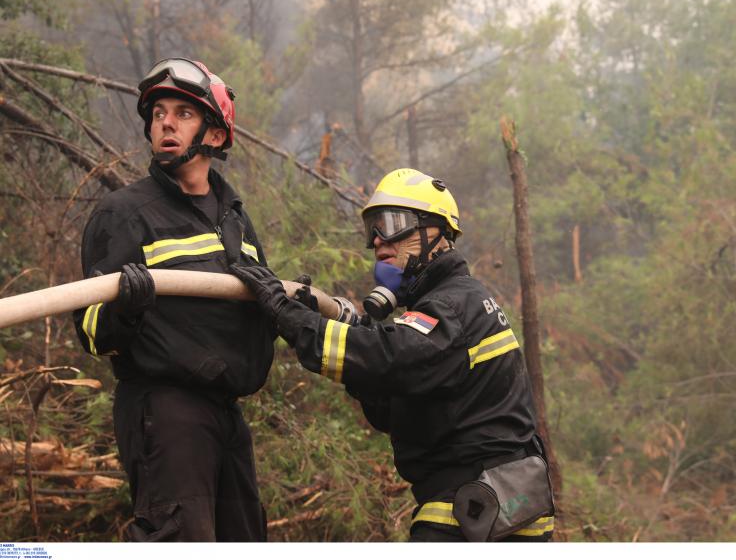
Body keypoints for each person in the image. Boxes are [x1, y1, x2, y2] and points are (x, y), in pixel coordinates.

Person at [231, 168, 555, 542]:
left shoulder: (450, 305)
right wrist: (349, 337)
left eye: (392, 224)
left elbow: (390, 358)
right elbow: (394, 398)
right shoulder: (456, 303)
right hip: (499, 508)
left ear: (437, 233)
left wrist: (291, 317)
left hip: (471, 513)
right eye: (372, 228)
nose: (378, 242)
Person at [73, 58, 275, 542]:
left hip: (227, 412)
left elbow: (255, 306)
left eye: (183, 113)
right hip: (166, 411)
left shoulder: (235, 220)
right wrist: (125, 308)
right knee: (180, 540)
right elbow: (88, 327)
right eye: (159, 113)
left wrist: (290, 307)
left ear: (217, 135)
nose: (166, 121)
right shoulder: (125, 214)